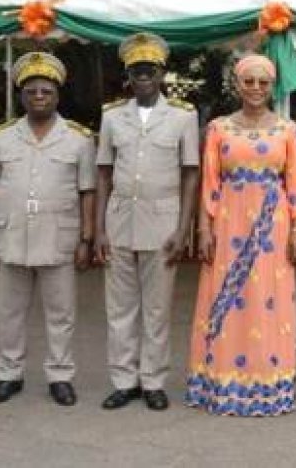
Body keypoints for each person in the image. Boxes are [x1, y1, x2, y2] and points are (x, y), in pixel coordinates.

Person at [186, 54, 296, 417]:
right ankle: (221, 382)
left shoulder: (288, 129)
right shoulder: (219, 129)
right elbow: (209, 181)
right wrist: (204, 228)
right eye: (249, 81)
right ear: (237, 84)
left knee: (268, 299)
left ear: (273, 86)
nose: (256, 88)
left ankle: (269, 385)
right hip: (228, 223)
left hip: (274, 225)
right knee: (226, 298)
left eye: (263, 82)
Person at [0, 52, 96, 406]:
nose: (39, 96)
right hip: (11, 235)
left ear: (57, 94)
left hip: (58, 236)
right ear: (21, 96)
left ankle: (60, 375)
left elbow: (87, 191)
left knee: (61, 313)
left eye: (46, 91)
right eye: (31, 92)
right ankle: (8, 374)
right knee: (9, 312)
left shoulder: (78, 139)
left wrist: (87, 239)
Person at [95, 33, 200, 412]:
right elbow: (103, 173)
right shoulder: (111, 116)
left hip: (163, 220)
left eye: (150, 70)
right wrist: (99, 230)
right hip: (120, 218)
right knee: (120, 307)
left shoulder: (184, 117)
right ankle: (124, 380)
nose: (143, 77)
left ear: (161, 74)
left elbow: (191, 173)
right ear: (128, 75)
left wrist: (184, 227)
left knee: (157, 308)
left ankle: (153, 379)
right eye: (136, 71)